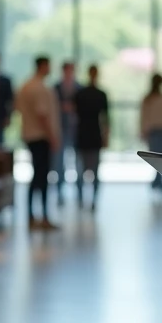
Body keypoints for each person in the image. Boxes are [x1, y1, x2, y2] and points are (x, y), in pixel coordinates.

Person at [16, 56, 60, 230]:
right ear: (42, 66)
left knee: (38, 176)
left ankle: (33, 215)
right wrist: (52, 137)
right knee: (41, 177)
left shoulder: (26, 86)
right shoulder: (38, 88)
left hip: (31, 136)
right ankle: (41, 216)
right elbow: (42, 115)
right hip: (40, 137)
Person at [73, 65, 110, 211]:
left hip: (84, 135)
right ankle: (90, 200)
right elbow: (105, 119)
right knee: (92, 171)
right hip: (91, 136)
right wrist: (106, 136)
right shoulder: (99, 94)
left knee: (82, 171)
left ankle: (83, 199)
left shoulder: (81, 94)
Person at [139, 73, 162, 194]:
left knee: (158, 158)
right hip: (157, 132)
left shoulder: (150, 99)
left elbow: (144, 117)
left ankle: (157, 181)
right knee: (159, 158)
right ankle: (158, 182)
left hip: (156, 132)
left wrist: (143, 131)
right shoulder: (158, 99)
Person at [51, 61, 80, 204]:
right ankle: (59, 192)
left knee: (78, 162)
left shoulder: (79, 88)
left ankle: (79, 194)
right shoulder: (56, 88)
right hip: (60, 129)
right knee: (58, 163)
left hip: (76, 129)